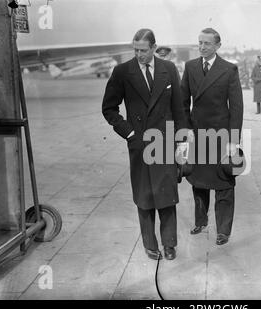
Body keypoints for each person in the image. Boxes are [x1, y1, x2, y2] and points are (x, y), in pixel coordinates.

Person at [102, 29, 187, 261]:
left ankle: (170, 244)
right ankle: (150, 244)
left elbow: (179, 108)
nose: (139, 54)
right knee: (144, 196)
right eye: (135, 50)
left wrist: (182, 142)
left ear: (153, 48)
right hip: (139, 144)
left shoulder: (168, 69)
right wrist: (129, 133)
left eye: (143, 50)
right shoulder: (122, 72)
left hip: (165, 142)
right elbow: (108, 108)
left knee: (167, 194)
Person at [181, 28, 243, 246]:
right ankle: (201, 221)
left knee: (224, 183)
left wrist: (234, 142)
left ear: (217, 45)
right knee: (198, 182)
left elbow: (236, 108)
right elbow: (182, 102)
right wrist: (186, 129)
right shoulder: (190, 67)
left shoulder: (228, 69)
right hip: (197, 135)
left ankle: (223, 230)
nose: (202, 47)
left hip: (221, 137)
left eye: (207, 43)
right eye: (200, 42)